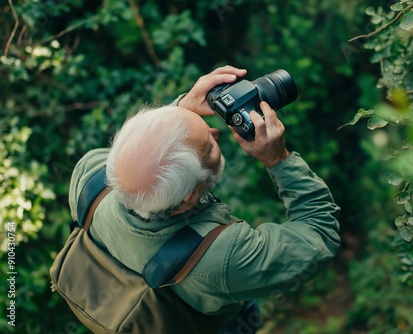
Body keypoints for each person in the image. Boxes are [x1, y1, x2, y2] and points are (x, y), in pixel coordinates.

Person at [68, 65, 341, 333]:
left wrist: (182, 109)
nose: (216, 132)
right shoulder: (223, 259)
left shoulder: (89, 176)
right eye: (208, 145)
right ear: (190, 196)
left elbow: (144, 160)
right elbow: (319, 233)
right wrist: (277, 159)